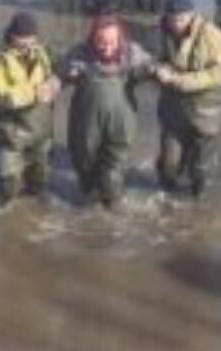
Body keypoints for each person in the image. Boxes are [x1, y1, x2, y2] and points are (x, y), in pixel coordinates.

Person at [53, 13, 153, 208]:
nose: (107, 48)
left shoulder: (132, 53)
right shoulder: (79, 54)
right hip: (85, 127)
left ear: (120, 39)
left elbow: (151, 67)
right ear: (92, 39)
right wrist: (54, 83)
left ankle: (110, 220)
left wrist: (156, 72)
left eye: (112, 42)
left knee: (112, 180)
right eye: (101, 42)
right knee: (85, 174)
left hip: (120, 126)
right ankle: (86, 219)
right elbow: (58, 74)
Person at [153, 0, 221, 197]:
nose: (176, 23)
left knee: (200, 169)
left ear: (192, 15)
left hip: (205, 109)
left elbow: (220, 73)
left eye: (181, 18)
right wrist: (159, 69)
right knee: (168, 163)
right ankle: (167, 198)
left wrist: (180, 81)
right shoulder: (164, 31)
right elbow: (160, 58)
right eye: (172, 19)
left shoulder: (213, 35)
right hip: (174, 109)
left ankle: (199, 202)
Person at [0, 11, 57, 208]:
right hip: (10, 135)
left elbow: (63, 68)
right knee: (8, 185)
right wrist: (32, 94)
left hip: (41, 133)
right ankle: (5, 211)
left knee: (40, 181)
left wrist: (54, 84)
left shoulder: (43, 52)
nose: (26, 42)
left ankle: (33, 211)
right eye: (21, 37)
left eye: (30, 38)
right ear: (11, 35)